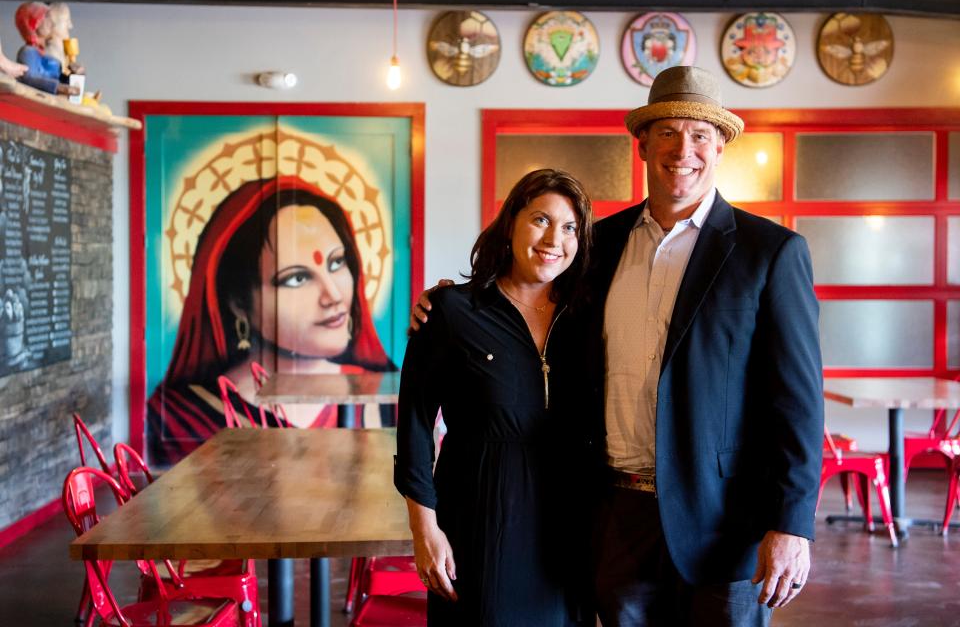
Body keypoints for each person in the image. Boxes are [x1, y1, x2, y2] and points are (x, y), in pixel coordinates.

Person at [413, 66, 823, 626]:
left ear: (721, 147)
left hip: (725, 521)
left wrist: (793, 524)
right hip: (613, 513)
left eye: (701, 134)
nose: (684, 149)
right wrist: (447, 302)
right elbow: (523, 300)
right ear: (643, 144)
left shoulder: (770, 252)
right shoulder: (597, 246)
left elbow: (797, 401)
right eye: (668, 133)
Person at [395, 169, 595, 626]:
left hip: (568, 525)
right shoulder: (451, 311)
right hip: (481, 517)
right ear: (511, 224)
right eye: (540, 219)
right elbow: (414, 428)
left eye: (570, 228)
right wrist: (424, 528)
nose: (554, 239)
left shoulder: (587, 315)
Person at [147, 176, 395, 464]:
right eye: (297, 278)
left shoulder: (386, 399)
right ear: (238, 303)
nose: (334, 295)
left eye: (337, 262)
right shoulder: (181, 416)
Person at [13, 2, 79, 96]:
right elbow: (29, 78)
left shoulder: (48, 54)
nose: (51, 22)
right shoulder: (28, 51)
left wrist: (75, 75)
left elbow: (59, 79)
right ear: (34, 24)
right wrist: (58, 87)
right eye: (45, 18)